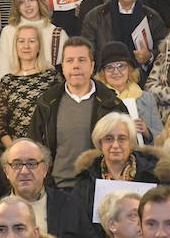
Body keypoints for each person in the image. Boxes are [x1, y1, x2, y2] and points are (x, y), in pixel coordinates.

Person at [26, 37, 127, 191]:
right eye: (70, 61)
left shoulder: (112, 104)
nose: (76, 66)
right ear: (63, 67)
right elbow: (33, 147)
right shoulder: (47, 103)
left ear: (92, 66)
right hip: (56, 189)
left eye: (82, 60)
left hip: (99, 189)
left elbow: (127, 150)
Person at [71, 113, 170, 237]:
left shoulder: (152, 175)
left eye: (122, 138)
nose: (115, 145)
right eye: (108, 139)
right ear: (100, 144)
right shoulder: (86, 177)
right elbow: (77, 223)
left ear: (131, 143)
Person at [0, 138, 102, 238]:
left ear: (45, 169)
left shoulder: (70, 205)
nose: (24, 171)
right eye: (17, 164)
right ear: (6, 171)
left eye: (32, 164)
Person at [82, 0, 164, 79]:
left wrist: (149, 56)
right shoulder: (94, 17)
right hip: (105, 83)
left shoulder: (153, 18)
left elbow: (164, 53)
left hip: (142, 83)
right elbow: (88, 56)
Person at [0, 23, 61, 146]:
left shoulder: (51, 77)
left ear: (39, 46)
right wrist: (12, 149)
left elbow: (59, 115)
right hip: (16, 149)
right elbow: (0, 122)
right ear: (15, 46)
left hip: (46, 147)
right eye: (21, 41)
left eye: (31, 41)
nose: (26, 46)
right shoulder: (7, 81)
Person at [93, 40, 163, 143]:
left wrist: (147, 132)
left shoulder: (147, 98)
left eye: (121, 66)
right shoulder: (97, 99)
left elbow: (162, 137)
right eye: (109, 67)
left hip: (144, 156)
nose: (116, 72)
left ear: (129, 69)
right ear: (103, 73)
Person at [0, 0, 66, 81]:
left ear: (39, 1)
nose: (27, 5)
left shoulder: (57, 33)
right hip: (14, 93)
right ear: (17, 6)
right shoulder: (8, 32)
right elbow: (2, 71)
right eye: (21, 2)